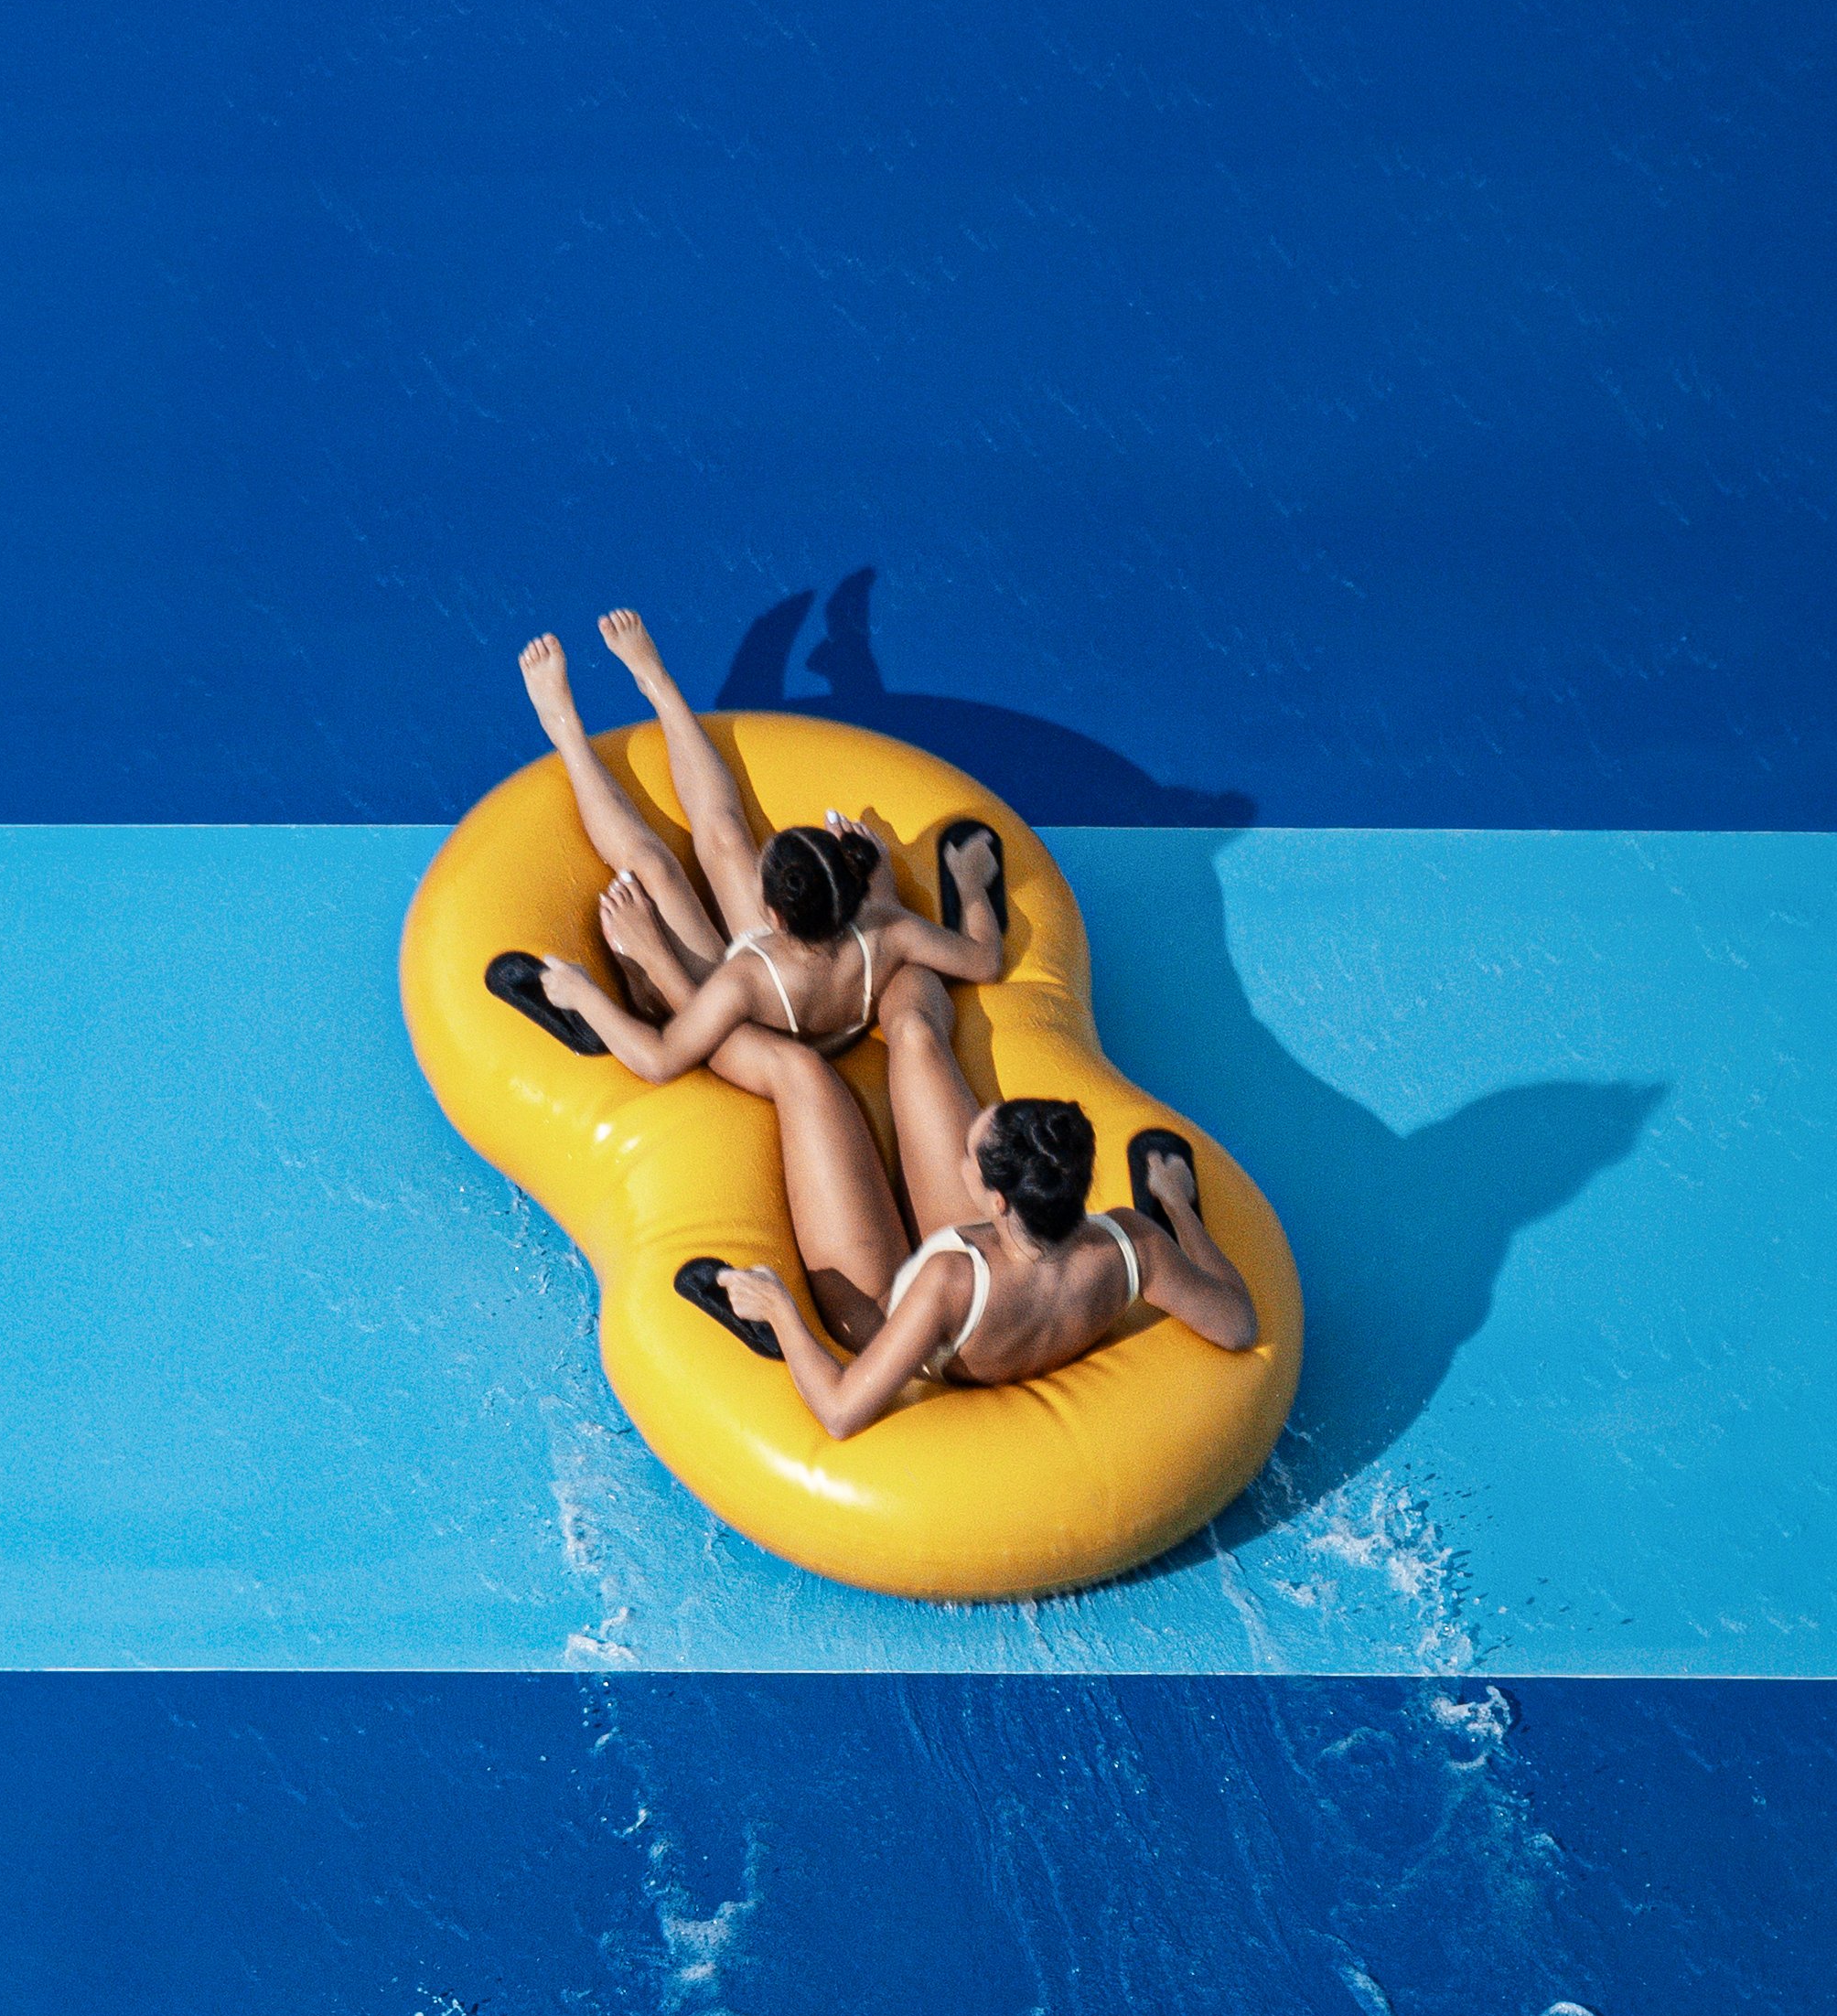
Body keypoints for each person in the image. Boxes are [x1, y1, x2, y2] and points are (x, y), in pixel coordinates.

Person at [476, 608, 1009, 1338]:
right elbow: (984, 958)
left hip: (751, 1021)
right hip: (830, 989)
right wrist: (973, 888)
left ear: (773, 910)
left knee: (655, 870)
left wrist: (589, 991)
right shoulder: (887, 928)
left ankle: (566, 730)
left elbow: (663, 1057)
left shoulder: (744, 976)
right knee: (724, 834)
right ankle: (659, 687)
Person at [673, 977, 1260, 1440]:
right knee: (917, 1035)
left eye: (971, 1158)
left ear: (997, 1200)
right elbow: (1238, 1324)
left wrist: (779, 1309)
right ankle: (877, 960)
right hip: (997, 1280)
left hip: (891, 1314)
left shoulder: (947, 1280)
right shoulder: (1133, 1244)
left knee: (800, 1072)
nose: (960, 1158)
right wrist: (1179, 1208)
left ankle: (676, 998)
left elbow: (840, 1412)